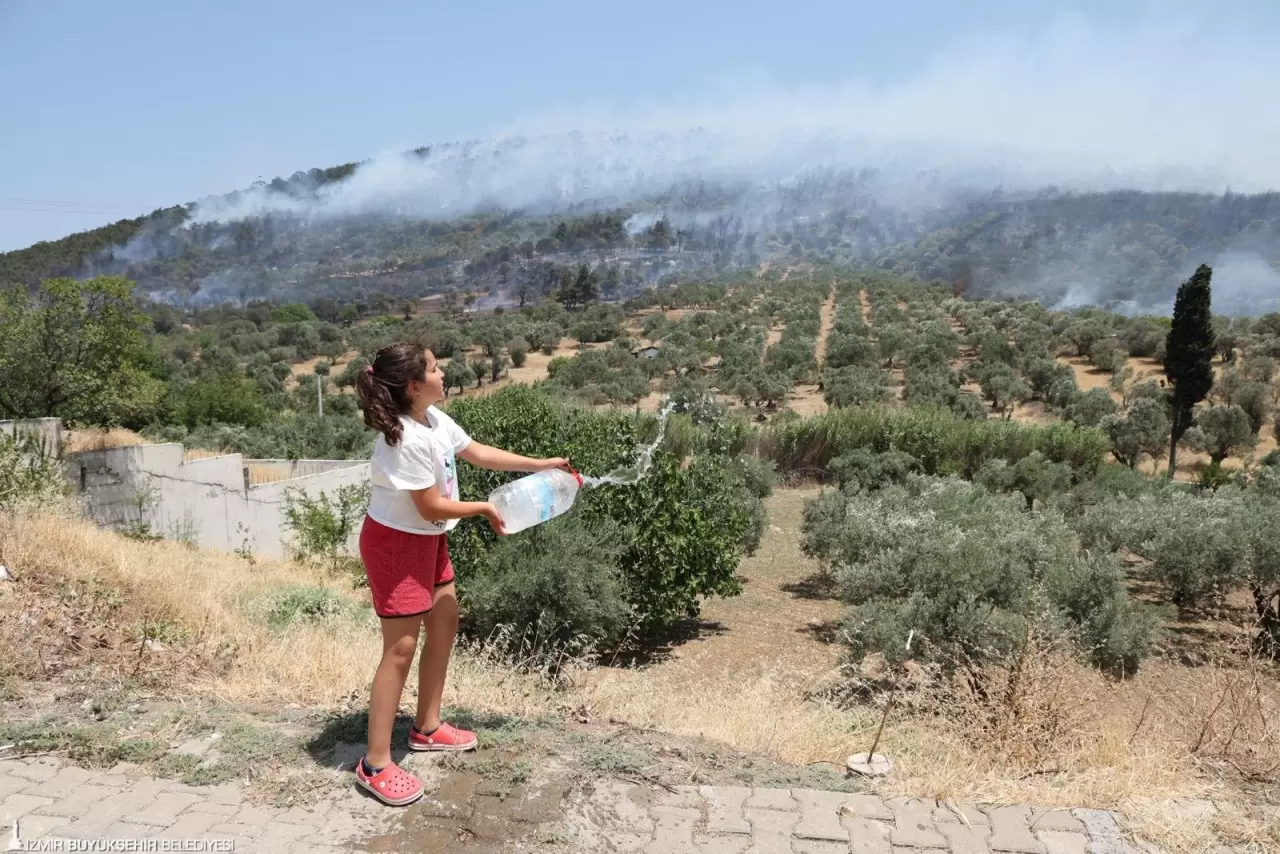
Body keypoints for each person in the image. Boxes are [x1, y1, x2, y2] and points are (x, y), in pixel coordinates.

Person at [353, 342, 570, 806]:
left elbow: (478, 453)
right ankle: (375, 764)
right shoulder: (404, 439)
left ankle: (426, 727)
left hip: (428, 539)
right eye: (434, 368)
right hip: (396, 544)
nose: (443, 373)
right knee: (400, 649)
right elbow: (430, 506)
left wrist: (541, 465)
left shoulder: (433, 420)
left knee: (445, 620)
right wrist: (486, 509)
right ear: (414, 386)